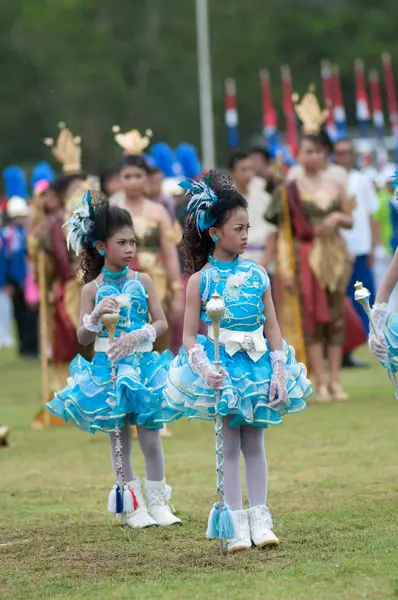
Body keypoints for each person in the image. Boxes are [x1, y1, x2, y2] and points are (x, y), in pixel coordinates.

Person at [157, 171, 311, 553]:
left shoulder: (258, 274)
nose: (246, 235)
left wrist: (278, 369)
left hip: (257, 367)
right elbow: (189, 336)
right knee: (228, 447)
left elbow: (272, 326)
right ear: (214, 232)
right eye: (238, 228)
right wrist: (205, 369)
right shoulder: (200, 281)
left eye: (248, 227)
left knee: (255, 443)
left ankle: (261, 517)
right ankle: (234, 521)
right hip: (222, 369)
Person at [46, 192, 181, 529]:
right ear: (102, 247)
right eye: (122, 242)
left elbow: (162, 322)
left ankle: (159, 503)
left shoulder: (144, 281)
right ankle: (131, 505)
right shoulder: (92, 289)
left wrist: (140, 335)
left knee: (150, 435)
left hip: (144, 366)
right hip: (109, 370)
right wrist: (93, 316)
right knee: (119, 435)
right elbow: (82, 337)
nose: (131, 248)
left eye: (133, 241)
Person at [267, 89, 355, 402]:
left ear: (325, 153)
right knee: (311, 317)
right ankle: (318, 380)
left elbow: (350, 219)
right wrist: (283, 266)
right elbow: (282, 230)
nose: (312, 156)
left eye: (318, 151)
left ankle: (335, 379)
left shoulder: (338, 180)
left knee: (336, 315)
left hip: (334, 254)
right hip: (305, 256)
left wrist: (335, 220)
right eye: (307, 151)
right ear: (299, 152)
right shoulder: (290, 184)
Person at [110, 127, 184, 353]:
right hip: (117, 282)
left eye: (138, 176)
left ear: (147, 179)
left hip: (155, 281)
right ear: (119, 179)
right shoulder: (111, 208)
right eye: (127, 176)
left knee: (156, 338)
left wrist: (177, 290)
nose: (133, 182)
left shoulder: (158, 211)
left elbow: (170, 252)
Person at [334, 137, 380, 367]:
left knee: (364, 300)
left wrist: (374, 246)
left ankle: (363, 344)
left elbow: (372, 215)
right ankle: (343, 350)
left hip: (360, 249)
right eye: (339, 152)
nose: (343, 157)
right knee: (342, 304)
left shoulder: (361, 180)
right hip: (337, 253)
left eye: (346, 152)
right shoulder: (331, 179)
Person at [228, 150, 277, 269]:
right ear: (233, 172)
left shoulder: (264, 197)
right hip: (233, 263)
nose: (248, 174)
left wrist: (265, 262)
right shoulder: (224, 200)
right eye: (243, 170)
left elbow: (271, 232)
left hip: (262, 260)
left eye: (250, 169)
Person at [3, 196, 38, 356]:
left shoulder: (27, 233)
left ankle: (33, 345)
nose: (20, 220)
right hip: (14, 280)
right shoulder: (7, 235)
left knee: (31, 315)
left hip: (29, 279)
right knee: (19, 314)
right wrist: (7, 282)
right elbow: (6, 260)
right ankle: (24, 347)